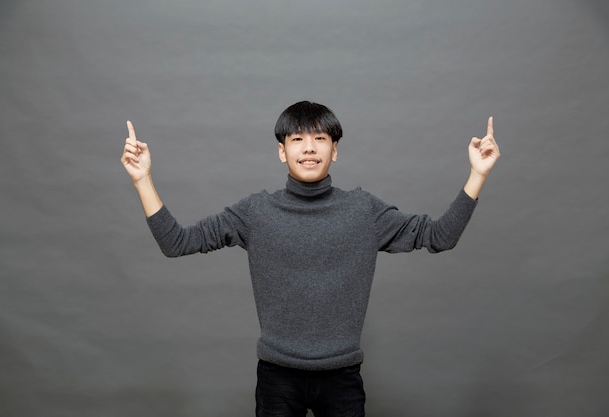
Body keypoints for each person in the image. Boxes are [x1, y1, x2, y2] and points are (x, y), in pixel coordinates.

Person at [120, 101, 500, 417]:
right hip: (276, 377)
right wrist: (143, 180)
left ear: (335, 150)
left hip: (343, 376)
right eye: (297, 139)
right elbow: (177, 242)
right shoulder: (256, 212)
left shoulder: (363, 210)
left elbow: (439, 236)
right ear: (282, 151)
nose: (309, 148)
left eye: (320, 138)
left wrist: (476, 175)